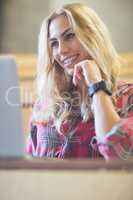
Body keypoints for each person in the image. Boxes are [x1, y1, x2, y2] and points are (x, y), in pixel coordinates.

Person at [26, 3, 133, 160]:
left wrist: (96, 85)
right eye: (54, 43)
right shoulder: (44, 105)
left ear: (94, 37)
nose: (61, 50)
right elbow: (28, 164)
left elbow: (119, 155)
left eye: (70, 36)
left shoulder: (127, 96)